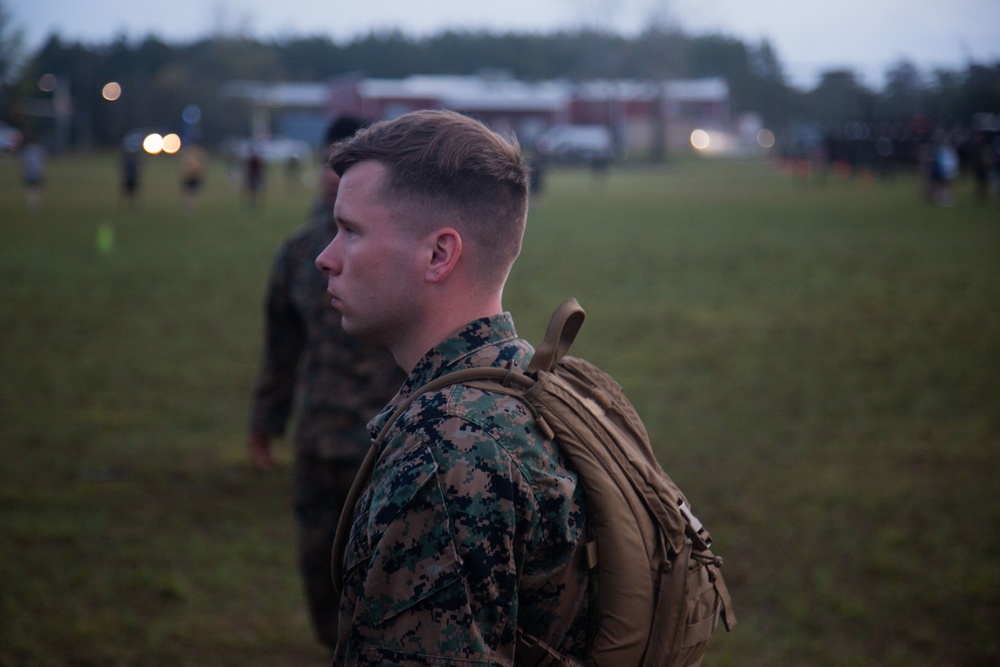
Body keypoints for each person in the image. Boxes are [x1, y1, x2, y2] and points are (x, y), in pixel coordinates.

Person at [316, 109, 591, 665]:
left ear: (439, 255)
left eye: (351, 231)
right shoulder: (537, 384)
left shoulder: (443, 457)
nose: (326, 258)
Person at [247, 117, 403, 652]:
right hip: (321, 443)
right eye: (334, 164)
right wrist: (266, 422)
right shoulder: (299, 251)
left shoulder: (400, 248)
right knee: (325, 593)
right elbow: (280, 349)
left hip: (390, 446)